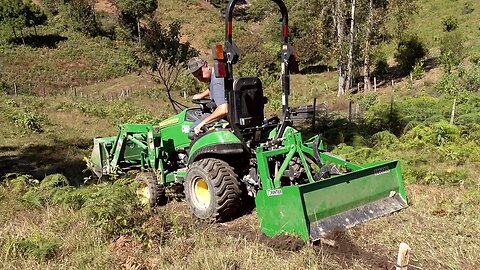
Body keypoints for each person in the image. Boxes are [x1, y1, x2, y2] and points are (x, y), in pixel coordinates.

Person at [187, 57, 228, 136]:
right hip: (226, 115)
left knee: (193, 131)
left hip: (224, 118)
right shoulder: (216, 75)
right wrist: (201, 95)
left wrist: (202, 123)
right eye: (197, 77)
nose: (200, 78)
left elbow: (223, 109)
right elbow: (214, 89)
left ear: (206, 65)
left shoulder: (216, 81)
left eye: (200, 74)